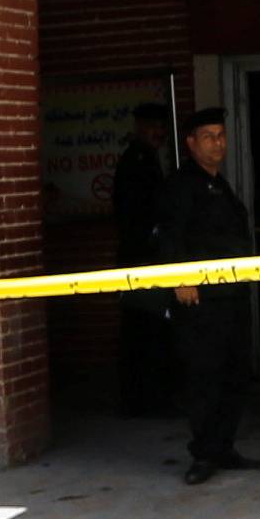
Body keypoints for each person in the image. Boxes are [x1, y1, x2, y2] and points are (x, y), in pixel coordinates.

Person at [155, 108, 260, 485]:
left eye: (221, 135)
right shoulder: (183, 184)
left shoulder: (219, 184)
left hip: (230, 297)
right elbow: (169, 235)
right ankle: (203, 454)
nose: (217, 143)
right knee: (204, 376)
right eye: (207, 136)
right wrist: (179, 278)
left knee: (235, 374)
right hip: (201, 303)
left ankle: (223, 447)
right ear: (190, 143)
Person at [113, 101, 173, 415]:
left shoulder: (146, 159)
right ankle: (142, 401)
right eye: (152, 126)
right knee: (143, 331)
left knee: (147, 330)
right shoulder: (136, 161)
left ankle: (144, 398)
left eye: (161, 127)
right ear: (138, 127)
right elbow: (137, 216)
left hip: (144, 258)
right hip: (140, 260)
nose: (158, 133)